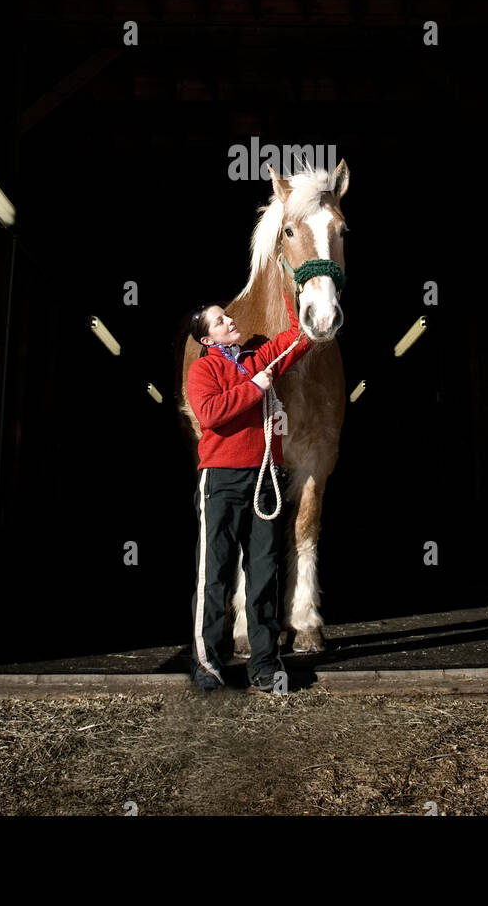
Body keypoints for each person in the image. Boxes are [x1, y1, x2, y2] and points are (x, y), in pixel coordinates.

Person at [186, 291, 313, 694]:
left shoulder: (261, 359)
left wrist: (296, 289)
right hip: (222, 479)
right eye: (221, 320)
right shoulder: (203, 371)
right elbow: (210, 413)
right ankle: (207, 662)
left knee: (263, 571)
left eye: (228, 316)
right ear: (209, 340)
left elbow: (300, 337)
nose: (230, 321)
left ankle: (264, 662)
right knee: (215, 572)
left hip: (264, 477)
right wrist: (256, 389)